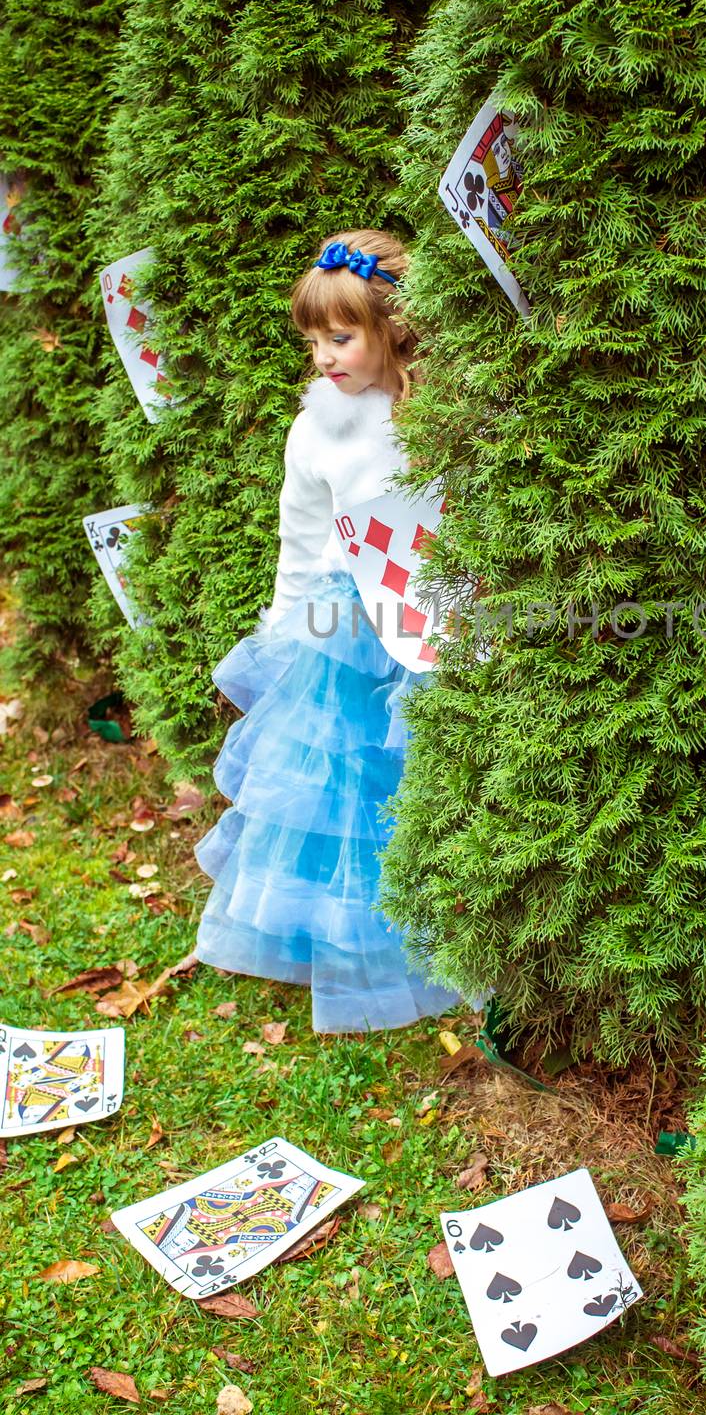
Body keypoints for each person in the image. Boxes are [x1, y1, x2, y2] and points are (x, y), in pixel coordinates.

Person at [192, 229, 460, 1033]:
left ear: (396, 327)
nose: (323, 357)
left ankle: (452, 929)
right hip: (347, 630)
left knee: (427, 778)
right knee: (346, 785)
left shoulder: (448, 414)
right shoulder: (316, 430)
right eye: (313, 341)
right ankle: (350, 943)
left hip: (442, 617)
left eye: (340, 337)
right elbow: (305, 532)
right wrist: (286, 624)